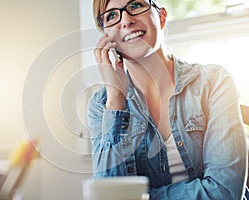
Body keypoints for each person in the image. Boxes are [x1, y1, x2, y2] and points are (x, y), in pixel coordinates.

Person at [87, 0, 248, 199]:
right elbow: (108, 196)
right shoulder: (102, 105)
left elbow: (225, 192)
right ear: (107, 37)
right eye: (111, 16)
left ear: (161, 17)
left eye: (135, 6)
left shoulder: (214, 82)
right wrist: (116, 102)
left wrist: (140, 197)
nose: (126, 20)